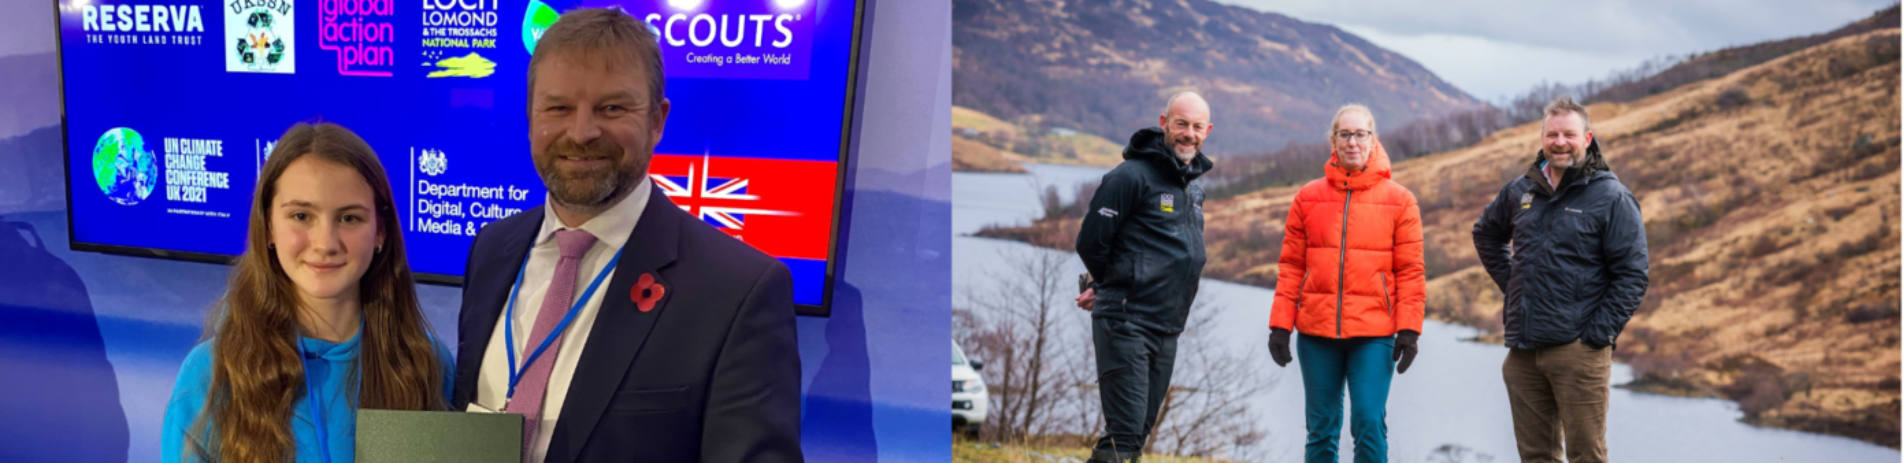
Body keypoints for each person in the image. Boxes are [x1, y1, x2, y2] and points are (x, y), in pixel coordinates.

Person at [450, 7, 801, 463]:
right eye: (558, 108)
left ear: (657, 120)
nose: (581, 133)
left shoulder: (740, 292)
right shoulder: (491, 249)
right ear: (530, 116)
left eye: (612, 107)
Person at [161, 122, 455, 463]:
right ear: (269, 226)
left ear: (380, 233)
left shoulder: (423, 364)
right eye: (301, 216)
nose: (325, 244)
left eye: (349, 218)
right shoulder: (211, 375)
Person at [1472, 97, 1648, 463]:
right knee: (1536, 456)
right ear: (1542, 137)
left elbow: (1632, 275)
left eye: (1569, 134)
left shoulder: (1612, 196)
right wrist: (1516, 288)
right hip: (1523, 352)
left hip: (1578, 350)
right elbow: (1486, 234)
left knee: (1586, 456)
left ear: (1588, 138)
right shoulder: (1521, 190)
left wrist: (1596, 336)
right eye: (1552, 134)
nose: (1560, 141)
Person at [1266, 104, 1424, 463]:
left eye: (1360, 134)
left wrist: (1409, 330)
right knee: (1321, 427)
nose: (1352, 142)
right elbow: (1291, 266)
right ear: (1333, 141)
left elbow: (1411, 272)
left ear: (1373, 140)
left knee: (1368, 421)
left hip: (1374, 335)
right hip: (1316, 333)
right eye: (1344, 134)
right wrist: (1279, 325)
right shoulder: (1308, 197)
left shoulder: (1400, 200)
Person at [1074, 91, 1215, 463]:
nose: (1189, 133)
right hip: (1126, 321)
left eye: (1197, 126)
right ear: (1164, 122)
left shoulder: (1193, 187)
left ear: (1208, 131)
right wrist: (1112, 286)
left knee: (1136, 436)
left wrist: (1106, 282)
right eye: (1181, 123)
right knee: (1123, 435)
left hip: (1167, 328)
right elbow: (1091, 242)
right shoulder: (1131, 176)